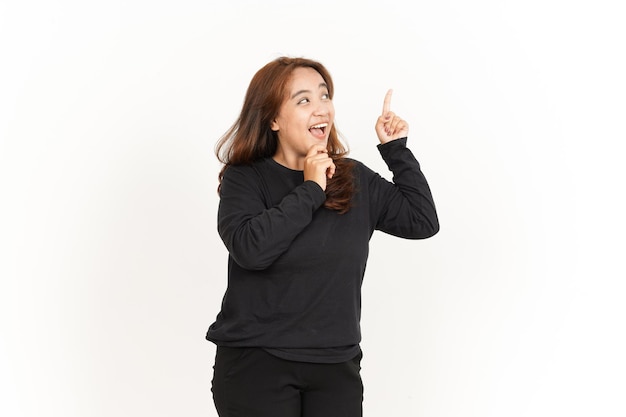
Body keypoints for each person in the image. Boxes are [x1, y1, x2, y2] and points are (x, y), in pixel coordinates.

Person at [206, 56, 439, 417]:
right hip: (256, 363)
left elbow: (422, 221)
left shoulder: (355, 178)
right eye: (303, 100)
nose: (321, 109)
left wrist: (396, 150)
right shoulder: (246, 178)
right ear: (272, 119)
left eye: (324, 96)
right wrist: (312, 188)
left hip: (336, 364)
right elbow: (251, 250)